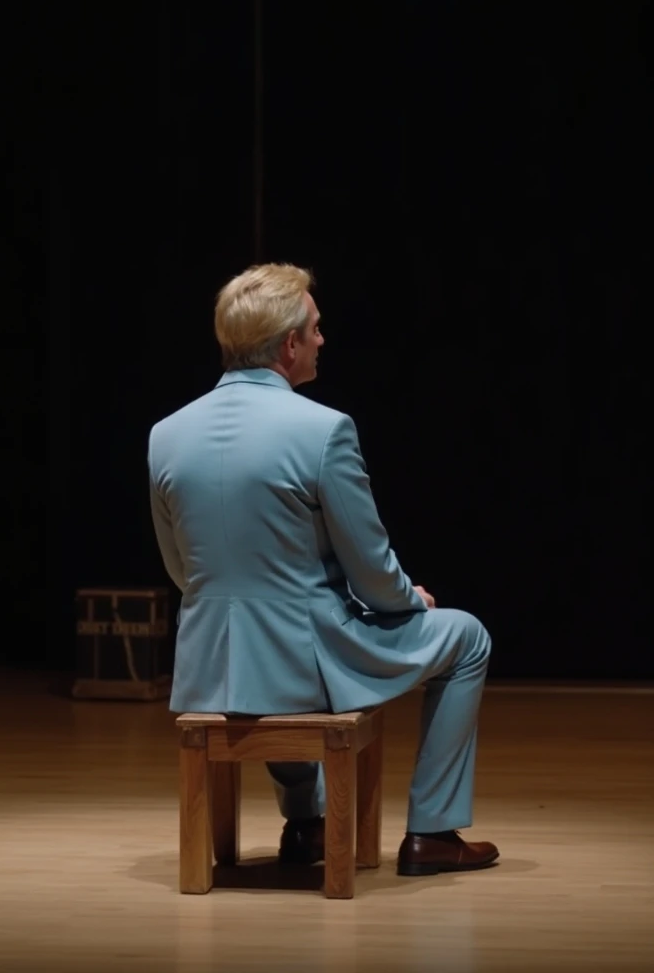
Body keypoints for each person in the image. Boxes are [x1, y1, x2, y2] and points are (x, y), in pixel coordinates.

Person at [148, 263, 499, 876]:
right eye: (315, 328)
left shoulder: (166, 434)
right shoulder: (323, 429)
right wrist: (410, 600)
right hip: (306, 655)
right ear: (288, 345)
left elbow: (182, 569)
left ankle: (308, 823)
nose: (321, 340)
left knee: (262, 650)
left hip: (213, 661)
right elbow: (370, 567)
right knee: (466, 637)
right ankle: (434, 832)